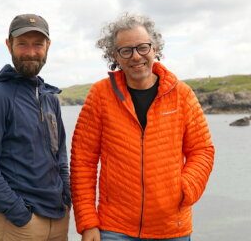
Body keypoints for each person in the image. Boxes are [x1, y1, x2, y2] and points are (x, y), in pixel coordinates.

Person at [70, 13, 215, 241]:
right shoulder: (100, 95)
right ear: (115, 56)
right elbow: (82, 161)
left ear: (155, 48)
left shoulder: (182, 94)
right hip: (114, 228)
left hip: (171, 228)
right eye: (126, 50)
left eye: (142, 47)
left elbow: (202, 150)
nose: (136, 56)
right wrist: (88, 223)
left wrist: (184, 189)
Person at [0, 13, 71, 241]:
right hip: (19, 226)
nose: (31, 52)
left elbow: (60, 155)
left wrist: (66, 197)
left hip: (58, 221)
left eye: (38, 44)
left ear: (48, 46)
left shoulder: (50, 98)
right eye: (22, 44)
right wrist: (18, 213)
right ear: (9, 45)